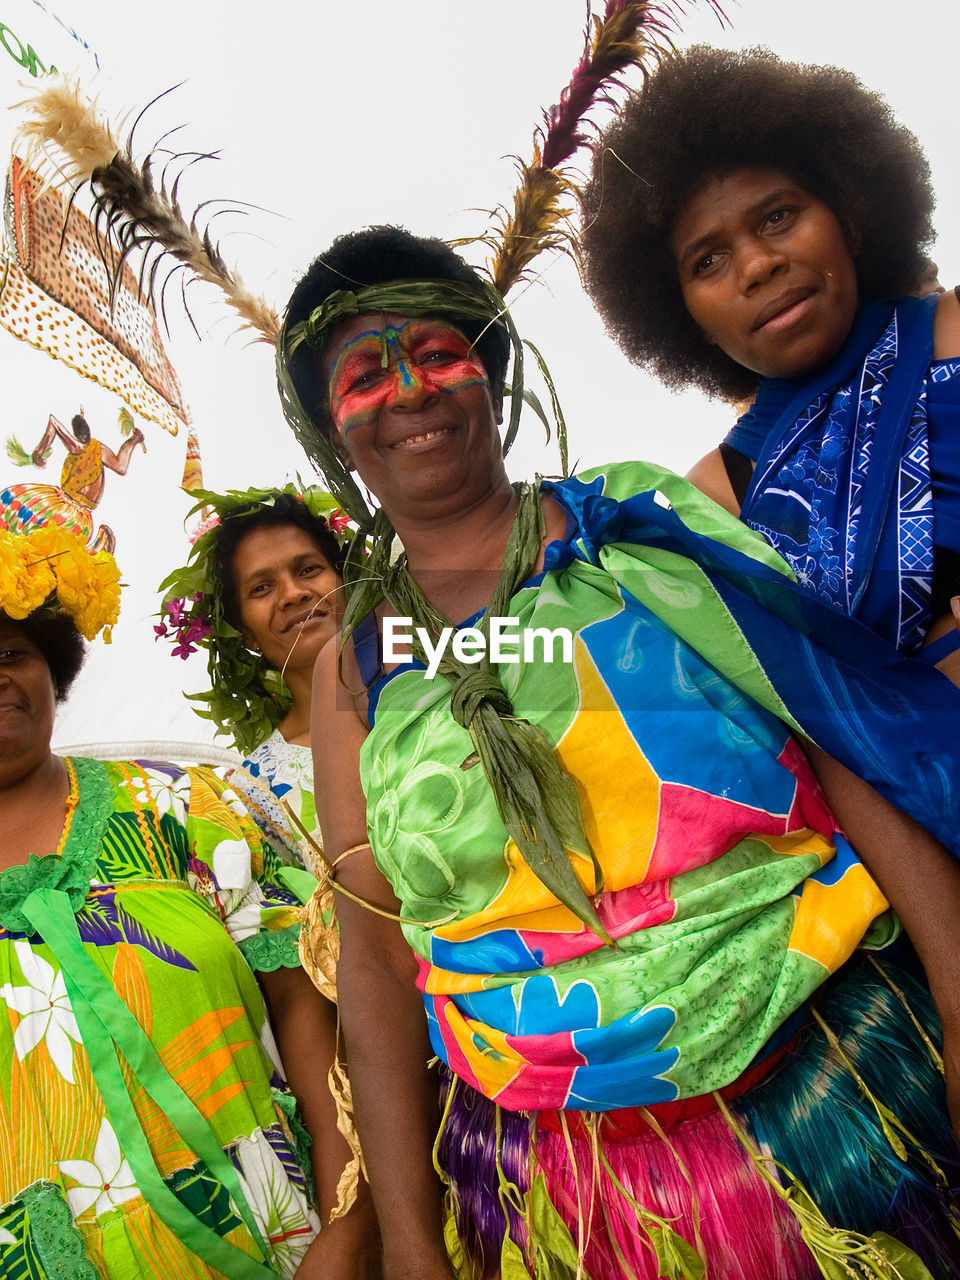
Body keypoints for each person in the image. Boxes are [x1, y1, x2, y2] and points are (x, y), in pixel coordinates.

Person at [276, 225, 960, 1280]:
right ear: (335, 427)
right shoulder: (350, 672)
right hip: (577, 1193)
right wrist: (411, 1235)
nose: (411, 391)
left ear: (492, 377)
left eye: (438, 354)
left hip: (838, 1086)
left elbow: (838, 737)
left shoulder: (636, 530)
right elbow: (374, 953)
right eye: (368, 373)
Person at [0, 523, 373, 1278]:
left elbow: (303, 1001)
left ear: (52, 667)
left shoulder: (178, 803)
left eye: (11, 654)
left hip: (286, 1238)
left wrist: (348, 1220)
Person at [580, 46, 960, 671]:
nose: (758, 265)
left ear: (852, 219)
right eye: (707, 261)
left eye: (778, 216)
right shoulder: (711, 498)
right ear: (685, 319)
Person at [158, 487, 347, 875]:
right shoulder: (259, 789)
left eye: (308, 569)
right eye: (261, 587)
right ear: (242, 632)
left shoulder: (444, 687)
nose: (293, 594)